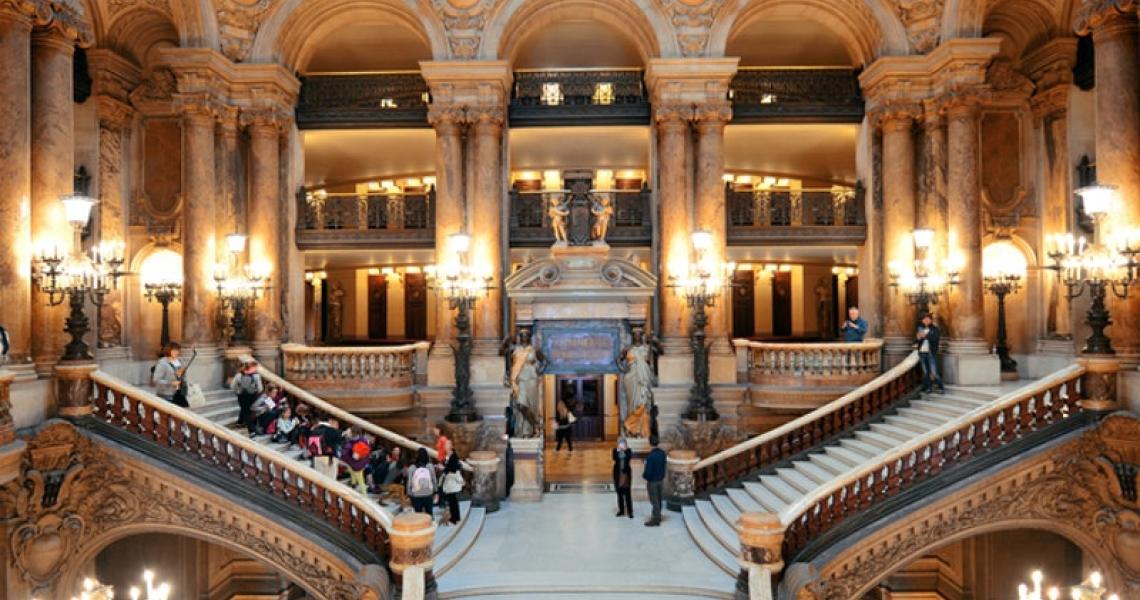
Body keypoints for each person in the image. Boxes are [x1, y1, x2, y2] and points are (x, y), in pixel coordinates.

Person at [915, 313, 945, 394]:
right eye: (924, 319)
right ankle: (928, 388)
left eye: (927, 319)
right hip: (922, 353)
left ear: (931, 320)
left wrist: (926, 336)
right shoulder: (920, 329)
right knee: (925, 372)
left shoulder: (935, 329)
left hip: (931, 353)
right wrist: (918, 338)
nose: (925, 321)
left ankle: (941, 387)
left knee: (934, 371)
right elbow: (918, 341)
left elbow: (935, 340)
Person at [230, 360, 263, 432]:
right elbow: (260, 389)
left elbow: (232, 386)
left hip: (242, 396)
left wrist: (238, 392)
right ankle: (252, 430)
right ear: (253, 367)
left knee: (246, 412)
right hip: (252, 397)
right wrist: (256, 392)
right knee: (248, 413)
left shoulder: (238, 375)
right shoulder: (256, 376)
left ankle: (249, 428)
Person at [642, 436, 666, 527]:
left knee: (654, 500)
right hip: (661, 480)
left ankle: (656, 520)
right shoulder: (662, 453)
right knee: (659, 499)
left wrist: (644, 476)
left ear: (650, 443)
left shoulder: (650, 456)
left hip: (652, 482)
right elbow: (664, 466)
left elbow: (648, 472)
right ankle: (658, 515)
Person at [407, 447, 437, 516]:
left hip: (416, 494)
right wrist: (435, 491)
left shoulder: (412, 467)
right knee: (429, 513)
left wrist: (410, 494)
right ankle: (430, 524)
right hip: (428, 493)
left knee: (418, 515)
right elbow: (434, 480)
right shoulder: (430, 466)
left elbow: (409, 483)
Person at [439, 441, 463, 526]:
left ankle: (454, 519)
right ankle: (456, 517)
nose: (445, 446)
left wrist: (443, 468)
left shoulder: (454, 456)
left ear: (450, 446)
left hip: (451, 481)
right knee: (452, 500)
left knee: (453, 501)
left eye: (446, 445)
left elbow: (452, 469)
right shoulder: (448, 456)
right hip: (449, 481)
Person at [341, 428, 371, 495]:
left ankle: (364, 495)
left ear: (353, 433)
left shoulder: (350, 443)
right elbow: (368, 450)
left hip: (355, 464)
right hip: (362, 462)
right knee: (353, 473)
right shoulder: (363, 439)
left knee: (360, 480)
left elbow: (345, 454)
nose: (347, 433)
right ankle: (353, 484)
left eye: (349, 432)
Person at [612, 438, 633, 519]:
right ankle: (621, 510)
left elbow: (628, 457)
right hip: (618, 474)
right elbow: (614, 458)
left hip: (626, 475)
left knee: (628, 494)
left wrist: (624, 450)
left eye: (623, 443)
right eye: (620, 443)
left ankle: (630, 512)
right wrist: (619, 450)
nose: (621, 445)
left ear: (625, 444)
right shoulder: (615, 450)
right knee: (619, 494)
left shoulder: (628, 451)